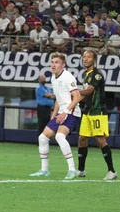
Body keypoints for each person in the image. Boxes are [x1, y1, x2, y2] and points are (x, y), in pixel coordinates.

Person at [30, 52, 82, 180]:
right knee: (42, 138)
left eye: (56, 62)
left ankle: (72, 170)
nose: (53, 65)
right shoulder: (53, 78)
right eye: (52, 62)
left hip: (72, 112)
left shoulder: (67, 77)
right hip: (61, 112)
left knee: (59, 136)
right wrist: (54, 115)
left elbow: (77, 97)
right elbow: (58, 99)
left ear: (63, 64)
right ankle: (44, 170)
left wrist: (65, 112)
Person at [77, 50, 117, 180]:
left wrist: (74, 92)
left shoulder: (97, 74)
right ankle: (81, 170)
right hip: (87, 111)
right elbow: (84, 96)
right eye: (84, 57)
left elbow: (89, 91)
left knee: (100, 140)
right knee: (82, 139)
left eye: (89, 57)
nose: (86, 59)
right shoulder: (84, 74)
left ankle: (112, 171)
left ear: (94, 59)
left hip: (97, 111)